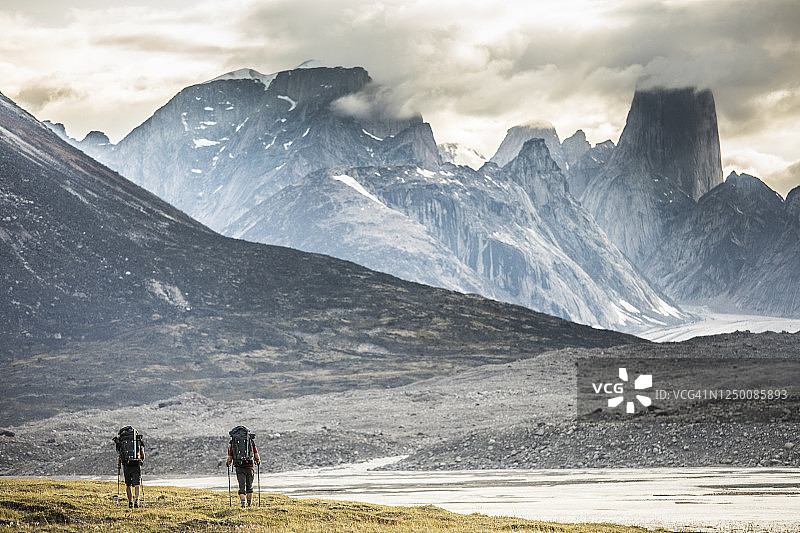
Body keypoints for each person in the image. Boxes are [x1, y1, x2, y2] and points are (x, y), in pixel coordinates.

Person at [226, 428, 261, 507]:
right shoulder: (250, 441)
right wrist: (258, 462)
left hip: (239, 467)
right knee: (249, 486)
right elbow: (256, 455)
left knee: (241, 486)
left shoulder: (233, 442)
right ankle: (249, 504)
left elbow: (229, 458)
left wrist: (228, 464)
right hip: (250, 466)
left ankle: (243, 504)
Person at [114, 426, 146, 508]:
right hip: (136, 464)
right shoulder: (137, 441)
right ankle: (136, 500)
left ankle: (130, 502)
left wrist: (119, 465)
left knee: (128, 484)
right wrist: (141, 460)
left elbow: (119, 454)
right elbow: (142, 453)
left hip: (126, 464)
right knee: (137, 484)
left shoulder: (122, 442)